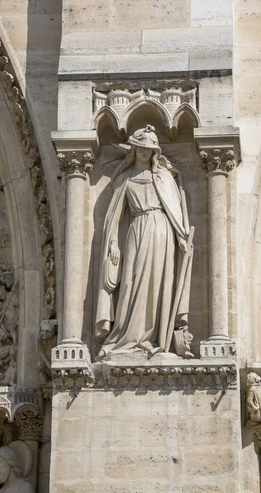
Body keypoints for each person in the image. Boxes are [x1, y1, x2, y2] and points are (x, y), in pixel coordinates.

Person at [95, 125, 192, 359]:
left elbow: (174, 208)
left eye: (150, 149)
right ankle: (126, 337)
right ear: (135, 149)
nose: (146, 153)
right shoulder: (124, 178)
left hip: (162, 231)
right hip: (137, 229)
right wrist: (114, 244)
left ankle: (153, 339)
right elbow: (114, 217)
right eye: (142, 148)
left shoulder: (164, 176)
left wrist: (181, 235)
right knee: (130, 282)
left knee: (158, 284)